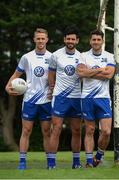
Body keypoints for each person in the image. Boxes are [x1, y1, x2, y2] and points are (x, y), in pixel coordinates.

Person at [5, 28, 52, 170]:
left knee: (46, 132)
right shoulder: (26, 57)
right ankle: (22, 163)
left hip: (47, 100)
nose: (40, 41)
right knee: (26, 131)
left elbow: (57, 78)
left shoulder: (52, 57)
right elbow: (16, 74)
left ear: (47, 40)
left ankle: (50, 163)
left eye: (43, 38)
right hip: (30, 100)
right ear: (34, 40)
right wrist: (8, 86)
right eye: (38, 38)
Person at [76, 29, 115, 167]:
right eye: (94, 40)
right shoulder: (83, 55)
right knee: (90, 130)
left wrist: (89, 72)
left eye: (99, 40)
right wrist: (100, 70)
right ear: (90, 41)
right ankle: (88, 162)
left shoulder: (109, 56)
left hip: (103, 98)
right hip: (86, 97)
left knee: (106, 131)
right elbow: (80, 73)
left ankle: (98, 155)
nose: (96, 42)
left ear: (102, 41)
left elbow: (109, 75)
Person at [47, 25, 82, 169]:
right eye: (68, 38)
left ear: (77, 40)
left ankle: (76, 163)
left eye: (73, 39)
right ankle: (51, 164)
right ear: (64, 39)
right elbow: (51, 74)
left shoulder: (82, 56)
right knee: (56, 129)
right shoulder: (55, 55)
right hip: (60, 97)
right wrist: (51, 88)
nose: (70, 41)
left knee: (77, 130)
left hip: (76, 97)